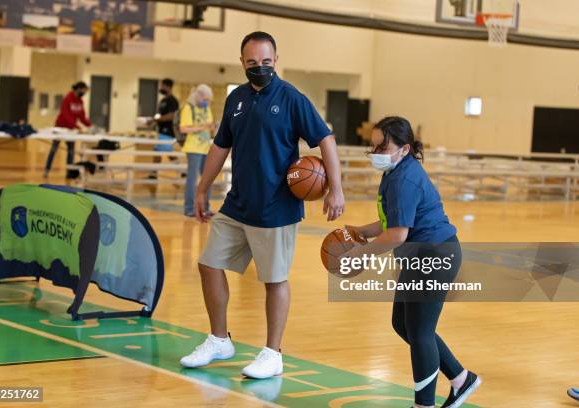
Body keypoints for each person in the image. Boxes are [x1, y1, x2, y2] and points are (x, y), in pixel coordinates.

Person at [179, 31, 345, 379]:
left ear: (276, 61)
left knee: (273, 280)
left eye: (266, 62)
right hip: (237, 203)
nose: (259, 68)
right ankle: (219, 339)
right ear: (242, 63)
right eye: (252, 63)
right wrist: (201, 188)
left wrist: (336, 188)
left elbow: (325, 139)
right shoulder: (236, 98)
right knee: (208, 265)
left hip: (276, 208)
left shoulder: (291, 98)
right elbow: (220, 146)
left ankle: (273, 353)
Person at [344, 116, 480, 408]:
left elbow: (397, 234)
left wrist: (363, 254)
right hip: (420, 255)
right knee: (403, 325)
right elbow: (390, 222)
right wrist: (362, 232)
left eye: (382, 147)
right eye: (373, 147)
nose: (376, 153)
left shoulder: (405, 178)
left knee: (419, 332)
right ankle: (461, 379)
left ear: (404, 149)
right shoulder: (395, 170)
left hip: (434, 255)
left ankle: (424, 404)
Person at [180, 84, 215, 217]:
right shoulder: (188, 108)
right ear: (198, 96)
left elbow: (209, 125)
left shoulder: (207, 109)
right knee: (192, 178)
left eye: (208, 100)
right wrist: (202, 127)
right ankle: (189, 208)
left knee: (207, 178)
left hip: (206, 147)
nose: (206, 102)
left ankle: (205, 207)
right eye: (205, 99)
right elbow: (183, 129)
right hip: (193, 148)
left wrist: (211, 127)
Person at [44, 81, 91, 178]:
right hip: (61, 126)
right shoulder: (67, 99)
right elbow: (65, 115)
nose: (84, 93)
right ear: (78, 89)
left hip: (71, 130)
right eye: (84, 91)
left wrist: (90, 125)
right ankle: (47, 170)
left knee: (71, 151)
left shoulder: (80, 102)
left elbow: (82, 117)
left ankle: (69, 172)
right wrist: (77, 127)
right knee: (54, 149)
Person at [150, 78, 179, 179]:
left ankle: (182, 171)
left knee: (169, 153)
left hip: (168, 131)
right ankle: (153, 174)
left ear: (168, 87)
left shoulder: (173, 101)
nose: (160, 88)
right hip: (160, 130)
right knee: (157, 151)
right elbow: (160, 114)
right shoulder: (163, 100)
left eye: (162, 86)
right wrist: (154, 120)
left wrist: (157, 119)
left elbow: (171, 116)